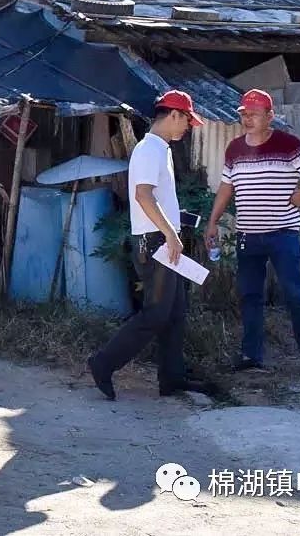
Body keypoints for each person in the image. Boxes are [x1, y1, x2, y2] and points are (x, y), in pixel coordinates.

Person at [87, 90, 213, 400]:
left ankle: (172, 378)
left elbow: (156, 198)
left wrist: (176, 223)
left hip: (161, 239)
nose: (187, 127)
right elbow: (143, 195)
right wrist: (170, 233)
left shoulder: (161, 149)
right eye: (186, 120)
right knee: (156, 314)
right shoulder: (148, 150)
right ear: (173, 115)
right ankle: (103, 363)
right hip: (153, 242)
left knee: (176, 312)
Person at [205, 89, 300, 378]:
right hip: (248, 236)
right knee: (250, 296)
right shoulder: (235, 149)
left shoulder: (288, 145)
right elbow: (226, 187)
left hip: (282, 234)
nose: (247, 119)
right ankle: (251, 354)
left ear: (269, 116)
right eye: (244, 114)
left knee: (295, 295)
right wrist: (213, 221)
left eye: (254, 114)